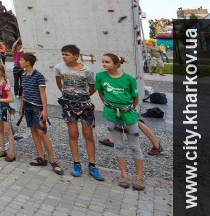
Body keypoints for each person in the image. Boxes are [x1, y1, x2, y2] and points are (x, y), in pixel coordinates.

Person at [54, 44, 104, 181]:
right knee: (73, 133)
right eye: (63, 54)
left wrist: (83, 97)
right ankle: (77, 164)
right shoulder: (59, 68)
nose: (64, 57)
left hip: (85, 105)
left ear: (76, 56)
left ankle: (93, 165)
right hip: (68, 105)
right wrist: (68, 95)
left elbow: (93, 87)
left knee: (88, 134)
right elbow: (59, 83)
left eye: (67, 54)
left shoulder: (87, 71)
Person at [96, 54, 146, 190]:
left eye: (107, 62)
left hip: (128, 115)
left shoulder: (129, 79)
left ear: (116, 64)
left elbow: (135, 98)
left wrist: (127, 109)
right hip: (111, 115)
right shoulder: (100, 76)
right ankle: (124, 175)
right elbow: (101, 93)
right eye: (103, 61)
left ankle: (140, 177)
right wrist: (109, 106)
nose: (104, 64)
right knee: (118, 145)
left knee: (135, 146)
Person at [19, 52, 63, 175]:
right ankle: (41, 157)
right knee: (33, 130)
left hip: (37, 108)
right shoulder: (23, 74)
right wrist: (22, 106)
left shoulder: (38, 76)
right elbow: (24, 92)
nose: (19, 61)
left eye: (21, 60)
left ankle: (53, 161)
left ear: (28, 62)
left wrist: (45, 110)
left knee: (42, 133)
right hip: (27, 106)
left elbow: (43, 93)